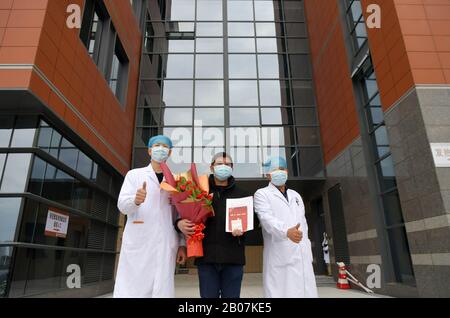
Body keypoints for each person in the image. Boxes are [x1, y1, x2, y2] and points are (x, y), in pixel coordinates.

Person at [113, 135, 187, 298]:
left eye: (165, 146)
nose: (160, 149)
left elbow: (180, 215)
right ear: (149, 150)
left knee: (162, 288)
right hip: (140, 239)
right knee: (134, 288)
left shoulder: (177, 181)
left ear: (170, 152)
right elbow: (122, 206)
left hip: (166, 242)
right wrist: (135, 200)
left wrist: (182, 244)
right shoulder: (134, 175)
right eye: (157, 145)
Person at [177, 152, 251, 298]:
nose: (223, 167)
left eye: (227, 164)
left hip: (233, 259)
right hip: (207, 259)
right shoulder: (198, 192)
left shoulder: (243, 195)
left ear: (232, 168)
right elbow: (183, 215)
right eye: (219, 164)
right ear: (212, 167)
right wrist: (178, 223)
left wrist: (243, 230)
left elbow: (253, 224)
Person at [254, 156, 318, 298]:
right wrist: (285, 231)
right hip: (280, 255)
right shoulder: (262, 194)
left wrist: (307, 251)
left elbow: (304, 225)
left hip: (301, 254)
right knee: (282, 292)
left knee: (306, 291)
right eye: (274, 170)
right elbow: (266, 219)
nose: (279, 172)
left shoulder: (295, 195)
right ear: (268, 174)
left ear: (287, 172)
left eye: (282, 169)